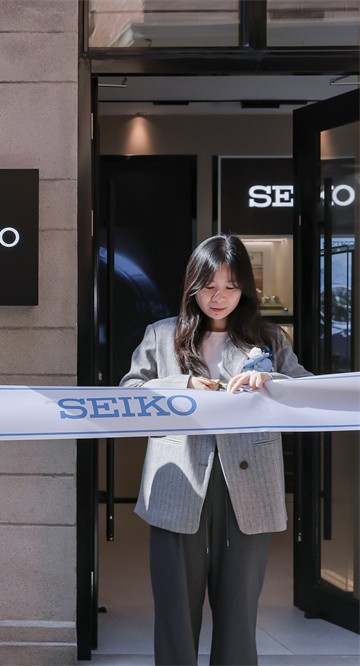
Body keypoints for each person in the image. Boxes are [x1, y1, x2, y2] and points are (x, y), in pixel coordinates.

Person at [120, 234, 310, 665]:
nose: (219, 297)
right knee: (174, 611)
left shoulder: (268, 336)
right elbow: (130, 392)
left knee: (240, 612)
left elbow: (303, 388)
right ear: (193, 286)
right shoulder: (162, 334)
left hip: (249, 485)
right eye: (209, 286)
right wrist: (181, 385)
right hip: (177, 483)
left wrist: (272, 381)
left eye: (230, 286)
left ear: (245, 289)